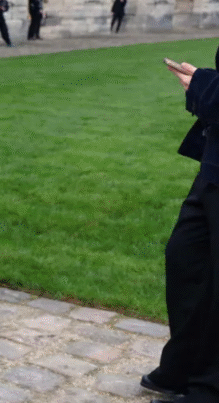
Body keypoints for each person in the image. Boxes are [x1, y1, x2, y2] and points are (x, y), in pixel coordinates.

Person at [142, 57, 219, 403]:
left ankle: (210, 388)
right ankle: (185, 366)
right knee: (185, 259)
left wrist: (204, 86)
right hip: (213, 163)